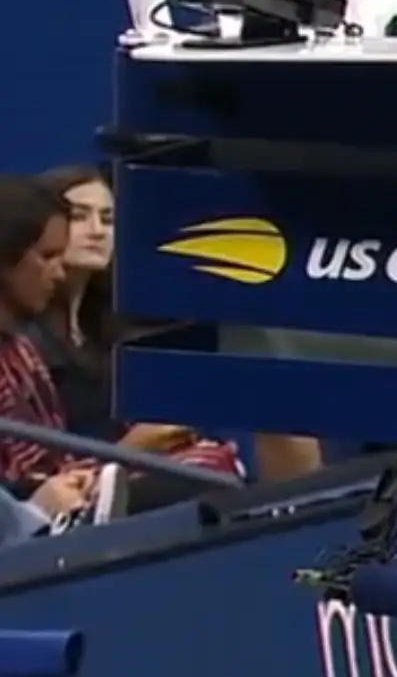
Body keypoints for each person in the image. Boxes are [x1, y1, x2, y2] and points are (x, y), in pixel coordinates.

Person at [31, 165, 323, 489]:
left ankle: (300, 510)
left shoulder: (113, 327)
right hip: (81, 498)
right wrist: (132, 450)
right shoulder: (24, 342)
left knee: (275, 411)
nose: (97, 231)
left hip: (143, 475)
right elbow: (39, 479)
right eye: (80, 217)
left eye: (108, 218)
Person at [0, 175, 104, 530]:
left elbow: (53, 462)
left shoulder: (21, 349)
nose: (60, 273)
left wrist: (79, 482)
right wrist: (35, 509)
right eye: (47, 257)